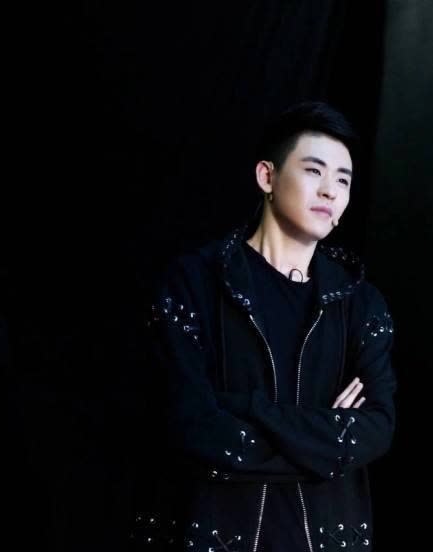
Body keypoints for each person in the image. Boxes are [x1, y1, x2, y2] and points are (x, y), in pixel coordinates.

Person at [150, 101, 396, 551]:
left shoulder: (361, 304)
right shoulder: (195, 283)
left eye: (343, 180)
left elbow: (377, 428)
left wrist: (244, 407)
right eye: (314, 171)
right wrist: (327, 433)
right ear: (267, 176)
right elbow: (191, 425)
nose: (330, 191)